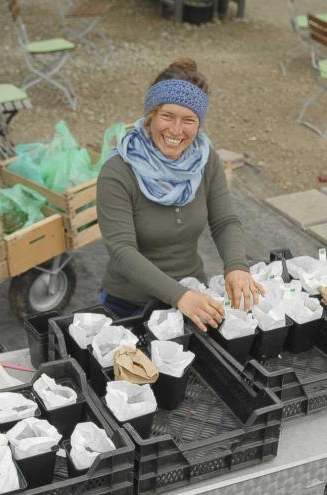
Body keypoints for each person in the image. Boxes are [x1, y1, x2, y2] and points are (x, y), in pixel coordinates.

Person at [96, 57, 263, 331]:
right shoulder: (118, 172)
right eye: (167, 117)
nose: (176, 130)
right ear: (151, 116)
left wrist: (237, 267)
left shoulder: (204, 159)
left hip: (193, 295)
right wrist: (179, 296)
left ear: (199, 124)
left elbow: (224, 222)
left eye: (188, 120)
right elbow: (122, 252)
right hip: (129, 306)